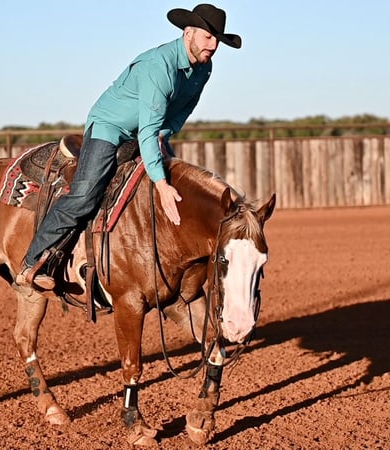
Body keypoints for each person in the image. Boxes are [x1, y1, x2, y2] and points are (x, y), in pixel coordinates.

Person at [18, 3, 241, 290]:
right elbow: (147, 130)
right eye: (207, 37)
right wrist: (160, 183)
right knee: (85, 194)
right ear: (188, 33)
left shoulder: (204, 68)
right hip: (110, 127)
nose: (213, 46)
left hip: (148, 131)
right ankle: (33, 261)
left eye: (217, 40)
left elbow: (181, 112)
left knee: (179, 187)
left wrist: (164, 135)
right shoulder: (159, 66)